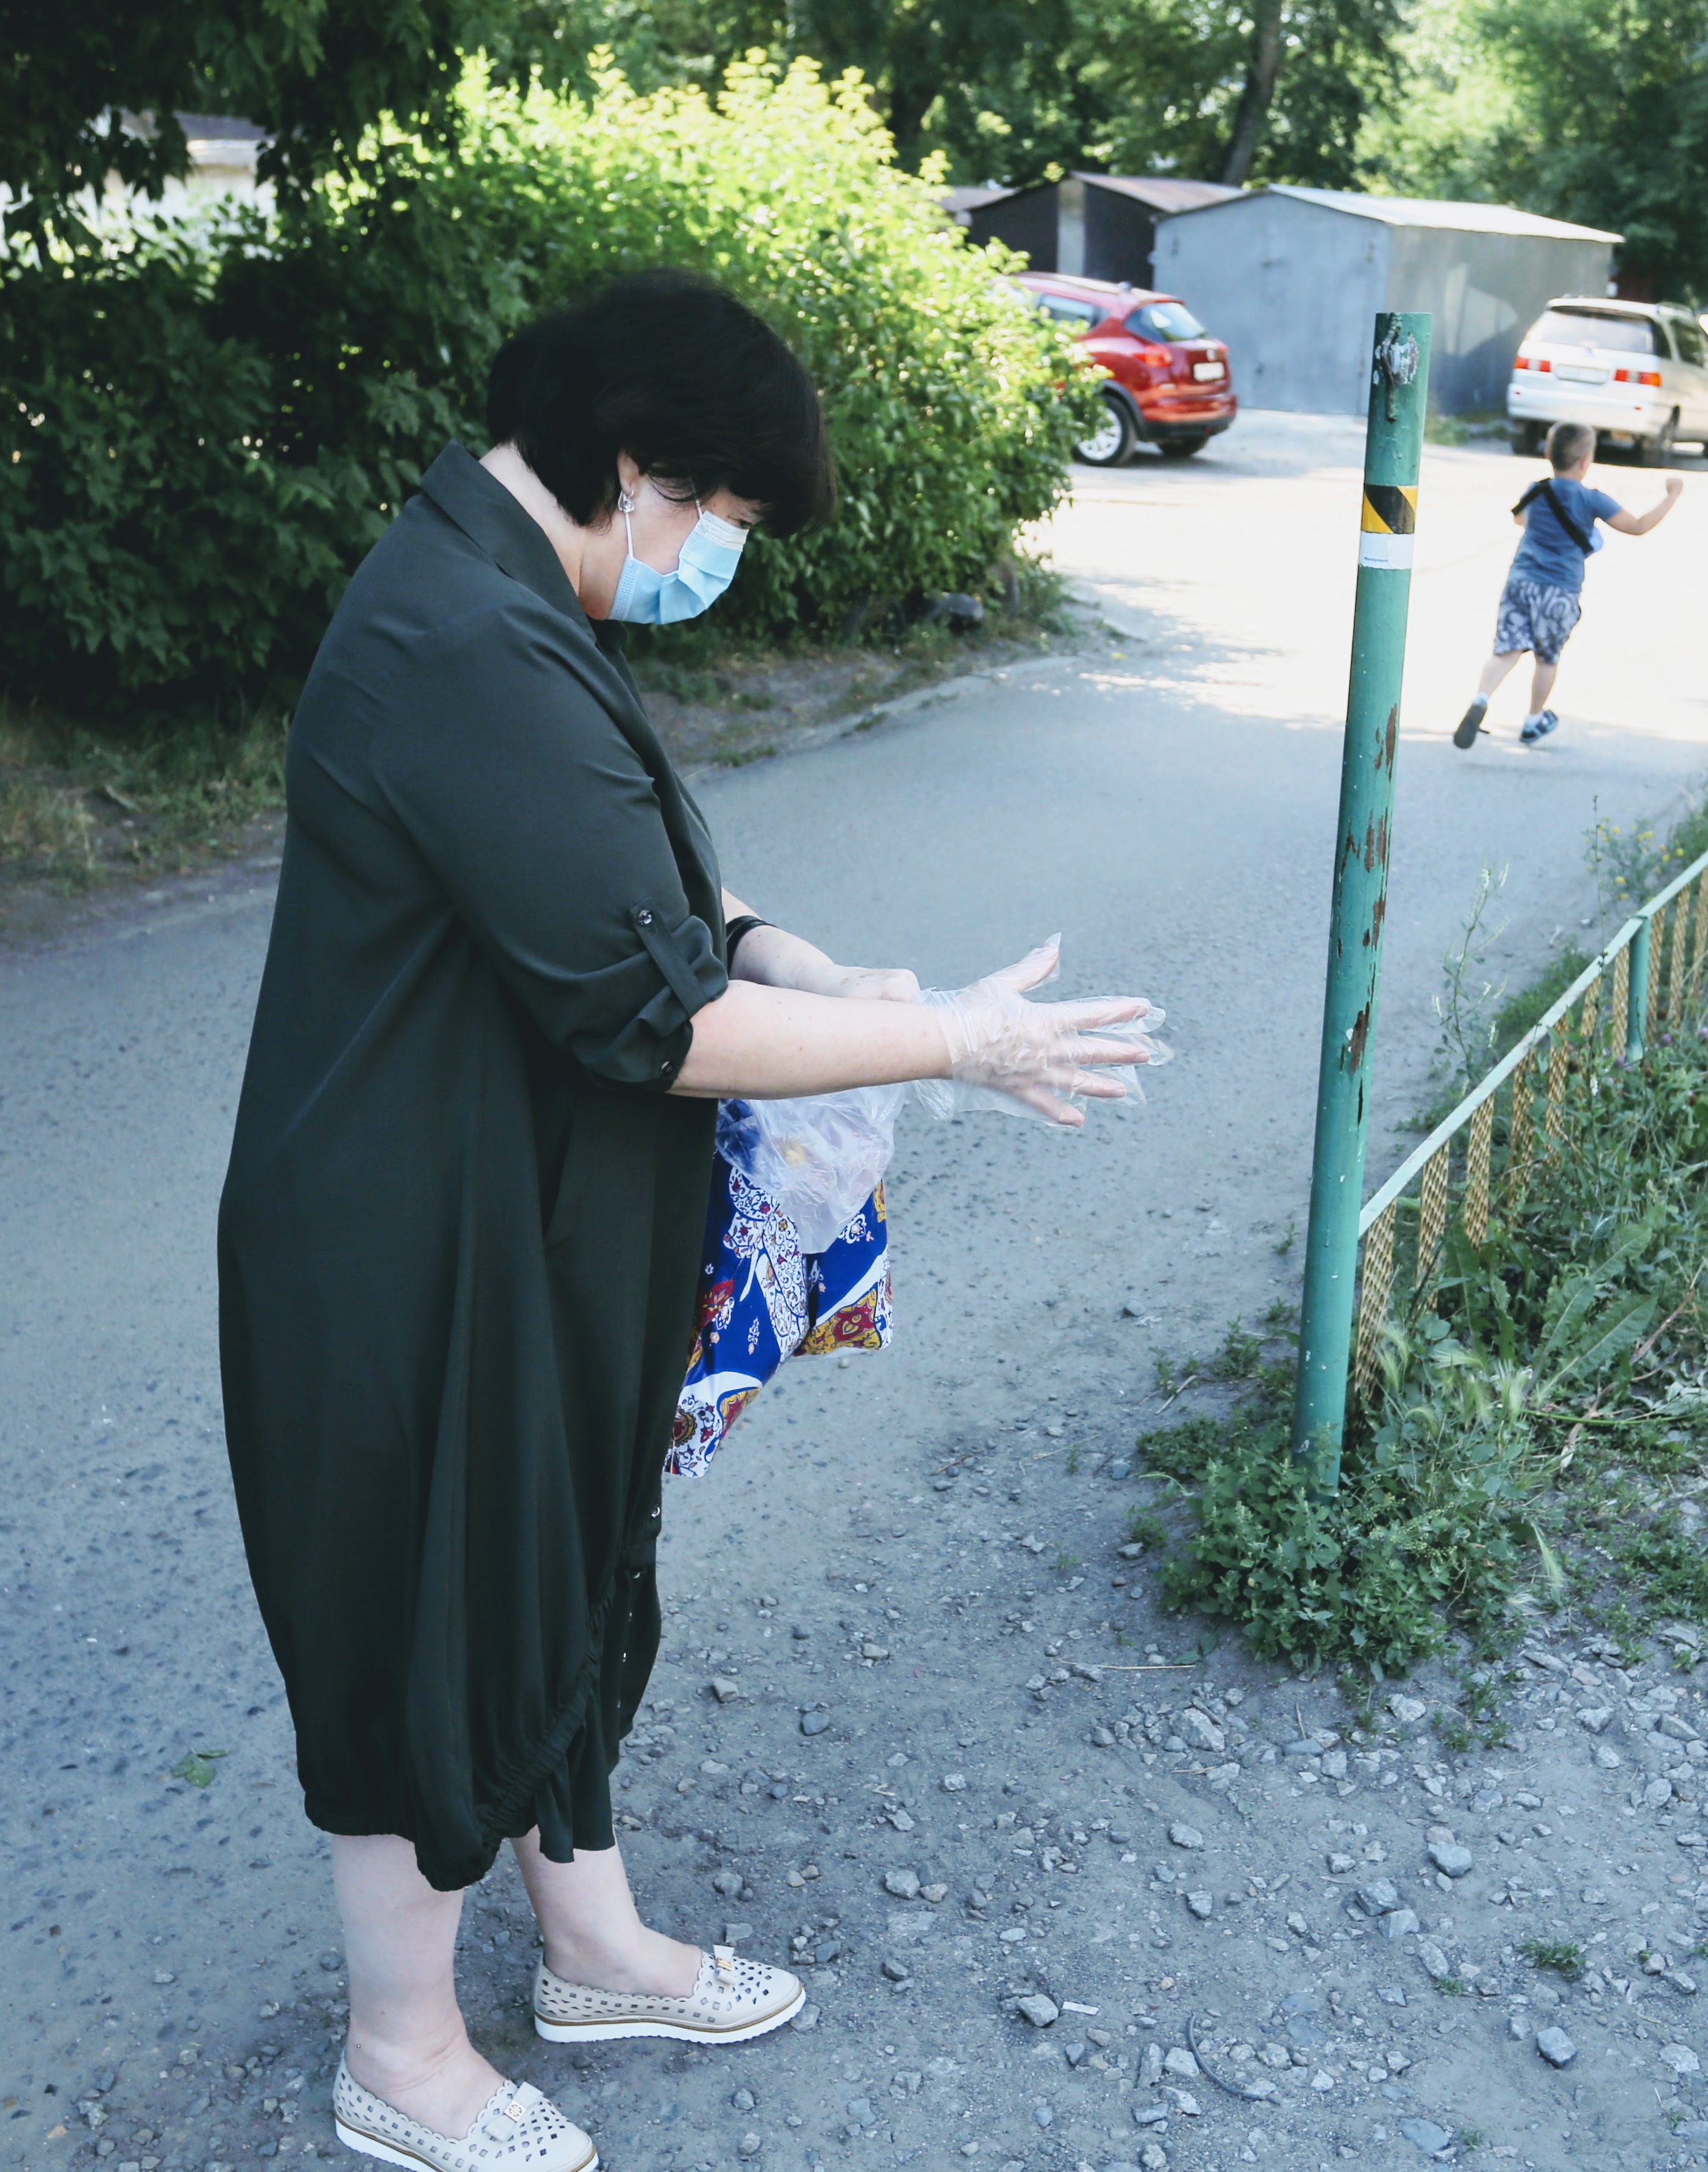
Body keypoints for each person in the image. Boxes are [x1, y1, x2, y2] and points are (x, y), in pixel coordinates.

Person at [217, 268, 1159, 2172]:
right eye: (717, 510)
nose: (711, 551)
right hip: (413, 1242)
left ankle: (593, 1952)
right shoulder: (462, 639)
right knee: (429, 1617)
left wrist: (808, 965)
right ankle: (401, 2050)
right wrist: (952, 1038)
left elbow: (627, 899)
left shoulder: (509, 599)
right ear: (631, 461)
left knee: (558, 1570)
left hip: (521, 1215)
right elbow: (653, 1020)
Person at [1452, 422, 1683, 749]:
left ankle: (1481, 698)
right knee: (1547, 658)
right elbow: (1638, 526)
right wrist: (1671, 496)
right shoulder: (1592, 500)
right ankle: (1533, 720)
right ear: (1586, 462)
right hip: (1560, 590)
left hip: (1522, 582)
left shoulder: (1537, 489)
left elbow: (1519, 518)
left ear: (1548, 454)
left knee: (1506, 651)